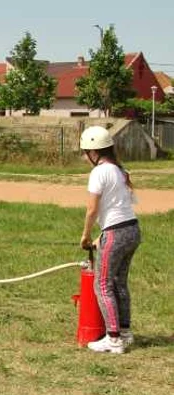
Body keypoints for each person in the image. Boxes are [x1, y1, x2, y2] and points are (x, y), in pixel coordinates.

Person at [79, 126, 140, 354]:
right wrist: (102, 236)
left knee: (102, 284)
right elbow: (121, 208)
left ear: (93, 152)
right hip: (132, 230)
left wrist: (85, 235)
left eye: (86, 152)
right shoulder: (120, 170)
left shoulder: (99, 172)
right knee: (119, 283)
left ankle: (113, 339)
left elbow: (92, 208)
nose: (86, 157)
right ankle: (124, 332)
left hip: (116, 232)